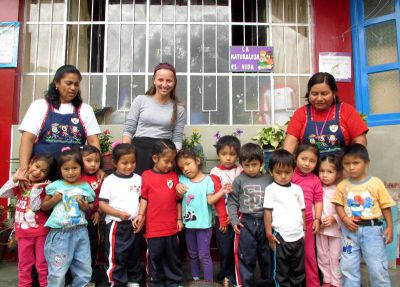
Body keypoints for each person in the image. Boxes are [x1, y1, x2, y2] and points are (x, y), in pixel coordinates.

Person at [332, 143, 395, 287]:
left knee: (377, 267)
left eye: (356, 163)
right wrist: (344, 219)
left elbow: (385, 206)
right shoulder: (343, 185)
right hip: (349, 233)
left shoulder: (376, 183)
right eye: (347, 163)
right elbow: (338, 204)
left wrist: (390, 227)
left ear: (366, 163)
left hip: (372, 232)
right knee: (348, 267)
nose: (351, 167)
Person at [18, 64, 101, 169]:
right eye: (68, 83)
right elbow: (27, 140)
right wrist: (24, 169)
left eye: (76, 84)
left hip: (73, 174)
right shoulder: (39, 106)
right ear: (56, 83)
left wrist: (98, 168)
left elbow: (93, 141)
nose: (73, 88)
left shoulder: (85, 110)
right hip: (42, 173)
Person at [41, 148, 95, 287]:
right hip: (60, 233)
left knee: (84, 270)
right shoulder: (55, 186)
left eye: (74, 168)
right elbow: (44, 206)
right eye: (66, 169)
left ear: (81, 168)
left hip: (80, 232)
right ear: (60, 170)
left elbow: (89, 207)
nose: (71, 172)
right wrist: (54, 199)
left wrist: (84, 206)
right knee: (57, 272)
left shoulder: (85, 187)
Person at [133, 139, 183, 287]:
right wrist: (141, 215)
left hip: (171, 227)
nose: (170, 165)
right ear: (155, 158)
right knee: (155, 257)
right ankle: (155, 281)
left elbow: (177, 200)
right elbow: (144, 198)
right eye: (166, 161)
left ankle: (174, 281)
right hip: (154, 228)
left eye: (172, 161)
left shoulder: (174, 176)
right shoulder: (146, 175)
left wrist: (179, 219)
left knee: (172, 256)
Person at [0, 155, 56, 287]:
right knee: (24, 265)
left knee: (42, 264)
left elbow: (36, 206)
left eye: (43, 171)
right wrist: (14, 179)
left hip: (41, 232)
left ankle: (44, 284)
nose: (37, 172)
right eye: (36, 167)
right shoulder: (21, 185)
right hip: (23, 233)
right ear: (30, 164)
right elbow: (2, 194)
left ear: (47, 175)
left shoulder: (44, 188)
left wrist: (36, 189)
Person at [122, 63, 185, 175]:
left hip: (164, 155)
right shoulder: (140, 100)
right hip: (140, 152)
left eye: (169, 81)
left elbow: (177, 139)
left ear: (174, 82)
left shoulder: (179, 108)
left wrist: (171, 160)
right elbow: (129, 130)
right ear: (154, 80)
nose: (164, 84)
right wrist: (126, 155)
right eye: (160, 80)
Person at [284, 72, 368, 155]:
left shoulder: (347, 111)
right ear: (308, 93)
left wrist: (353, 163)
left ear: (334, 93)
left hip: (340, 167)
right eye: (314, 94)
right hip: (308, 167)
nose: (319, 98)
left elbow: (360, 141)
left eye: (324, 94)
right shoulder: (301, 113)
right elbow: (291, 142)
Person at [227, 143, 273, 287]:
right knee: (246, 256)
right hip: (245, 223)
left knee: (267, 255)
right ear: (241, 164)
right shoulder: (239, 180)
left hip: (265, 222)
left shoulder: (269, 179)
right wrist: (234, 219)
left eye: (254, 164)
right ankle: (245, 283)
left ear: (261, 163)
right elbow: (232, 201)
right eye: (247, 165)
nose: (251, 169)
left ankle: (268, 282)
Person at [99, 143, 142, 287]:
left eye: (132, 162)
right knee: (116, 255)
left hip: (134, 223)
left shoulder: (138, 179)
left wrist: (141, 216)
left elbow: (142, 199)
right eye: (124, 163)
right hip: (116, 224)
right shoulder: (109, 180)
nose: (129, 166)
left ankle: (133, 279)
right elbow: (102, 204)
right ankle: (116, 281)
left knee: (133, 253)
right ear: (115, 162)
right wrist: (118, 214)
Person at [176, 148, 222, 282]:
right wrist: (178, 188)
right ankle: (195, 280)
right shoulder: (182, 179)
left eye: (187, 163)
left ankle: (208, 282)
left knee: (204, 255)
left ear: (197, 161)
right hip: (189, 225)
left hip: (204, 225)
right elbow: (177, 195)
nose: (185, 168)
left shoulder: (207, 180)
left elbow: (209, 201)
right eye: (181, 167)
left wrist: (222, 192)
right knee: (193, 254)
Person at [264, 149, 306, 287]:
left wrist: (304, 230)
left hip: (298, 236)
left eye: (287, 172)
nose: (283, 176)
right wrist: (269, 234)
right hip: (280, 238)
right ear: (270, 172)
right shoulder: (271, 189)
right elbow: (267, 213)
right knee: (281, 272)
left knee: (298, 270)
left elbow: (302, 210)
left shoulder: (297, 189)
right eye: (278, 172)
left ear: (293, 171)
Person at [209, 135, 242, 287]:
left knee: (237, 249)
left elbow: (242, 195)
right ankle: (225, 276)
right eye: (224, 154)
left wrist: (235, 216)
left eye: (232, 154)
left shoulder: (240, 170)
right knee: (224, 249)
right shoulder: (215, 172)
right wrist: (223, 218)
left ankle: (235, 276)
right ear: (218, 155)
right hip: (221, 217)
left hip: (237, 217)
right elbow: (218, 197)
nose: (228, 158)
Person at [291, 143, 322, 287]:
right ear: (295, 157)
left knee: (310, 257)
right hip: (289, 224)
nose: (307, 163)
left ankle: (313, 284)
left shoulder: (315, 180)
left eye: (312, 161)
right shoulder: (290, 175)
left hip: (308, 224)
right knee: (291, 256)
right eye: (303, 159)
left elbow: (318, 201)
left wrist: (317, 219)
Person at [317, 155, 343, 287]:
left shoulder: (340, 189)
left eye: (330, 171)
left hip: (335, 231)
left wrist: (334, 218)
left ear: (338, 173)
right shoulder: (317, 187)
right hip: (320, 229)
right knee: (322, 255)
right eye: (322, 171)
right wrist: (317, 219)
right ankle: (327, 280)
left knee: (335, 256)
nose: (325, 175)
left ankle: (336, 282)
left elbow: (346, 209)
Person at [80, 145, 104, 285]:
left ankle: (92, 276)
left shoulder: (100, 178)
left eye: (97, 161)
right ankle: (74, 276)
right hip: (76, 220)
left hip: (92, 219)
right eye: (88, 160)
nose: (93, 164)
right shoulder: (76, 175)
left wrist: (98, 212)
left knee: (92, 246)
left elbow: (104, 198)